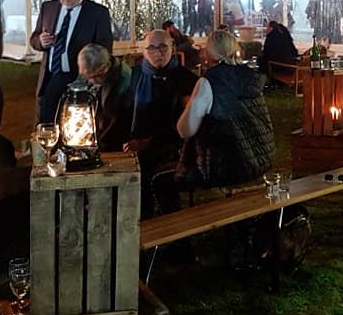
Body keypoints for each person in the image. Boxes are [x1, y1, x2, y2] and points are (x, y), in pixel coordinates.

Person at [156, 31, 274, 214]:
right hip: (259, 160)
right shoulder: (250, 78)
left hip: (226, 166)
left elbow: (184, 130)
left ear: (212, 53)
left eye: (205, 47)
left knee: (160, 180)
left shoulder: (209, 82)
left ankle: (178, 236)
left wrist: (189, 107)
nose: (201, 50)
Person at [116, 29, 196, 217]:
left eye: (163, 47)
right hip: (134, 141)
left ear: (173, 48)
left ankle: (159, 225)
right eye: (151, 48)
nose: (157, 53)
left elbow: (186, 125)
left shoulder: (187, 80)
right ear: (143, 52)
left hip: (171, 145)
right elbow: (123, 113)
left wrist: (147, 142)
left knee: (150, 170)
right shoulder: (133, 76)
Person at [31, 0, 113, 124]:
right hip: (50, 76)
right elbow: (34, 39)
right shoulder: (48, 8)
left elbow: (104, 49)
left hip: (79, 78)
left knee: (74, 126)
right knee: (46, 123)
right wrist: (41, 41)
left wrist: (90, 73)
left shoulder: (97, 13)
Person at [77, 44, 131, 153]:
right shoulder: (93, 67)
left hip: (116, 140)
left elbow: (115, 121)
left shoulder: (123, 80)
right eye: (88, 77)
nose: (91, 81)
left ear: (105, 68)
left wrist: (97, 144)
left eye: (95, 77)